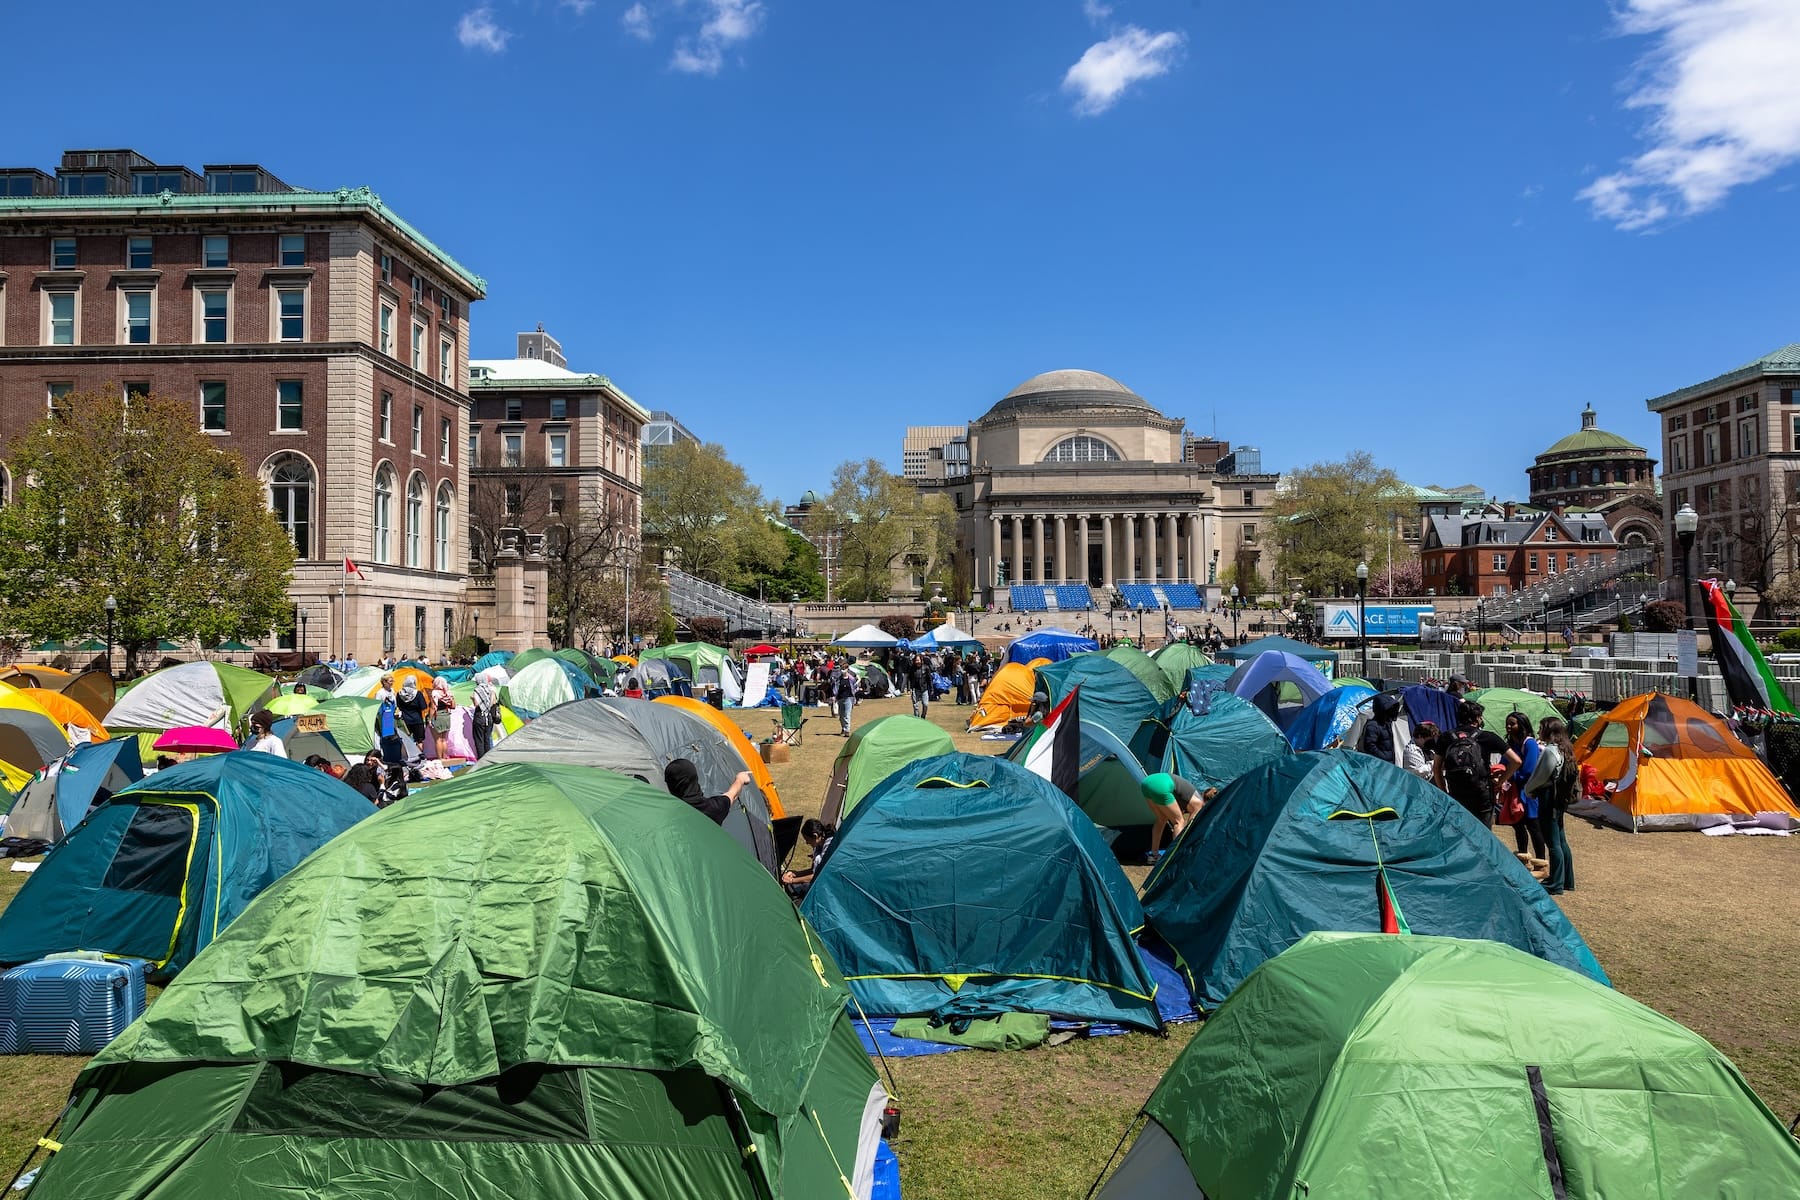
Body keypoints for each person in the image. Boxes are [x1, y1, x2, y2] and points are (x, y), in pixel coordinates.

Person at [1433, 699, 1514, 826]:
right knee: (1483, 835)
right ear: (1477, 718)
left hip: (1456, 793)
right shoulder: (1487, 736)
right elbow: (1516, 761)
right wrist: (1500, 781)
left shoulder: (1446, 737)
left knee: (1460, 834)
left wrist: (1444, 792)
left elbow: (1436, 768)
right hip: (1482, 795)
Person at [1529, 717, 1578, 895]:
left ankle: (1555, 883)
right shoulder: (1567, 749)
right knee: (1561, 840)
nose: (1539, 730)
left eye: (1541, 727)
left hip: (1549, 797)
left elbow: (1540, 776)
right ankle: (1567, 880)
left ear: (1549, 730)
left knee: (1553, 842)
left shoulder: (1551, 751)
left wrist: (1528, 789)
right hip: (1561, 797)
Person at [1141, 772, 1206, 864]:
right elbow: (1190, 826)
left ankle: (1153, 855)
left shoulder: (1190, 795)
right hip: (1162, 785)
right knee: (1179, 822)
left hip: (1147, 782)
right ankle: (1175, 856)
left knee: (1161, 819)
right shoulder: (1199, 803)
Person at [663, 758, 748, 825]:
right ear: (695, 778)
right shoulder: (712, 808)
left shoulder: (665, 813)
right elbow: (732, 794)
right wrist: (740, 779)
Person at [780, 818, 836, 899]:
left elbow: (818, 875)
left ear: (815, 836)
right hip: (820, 883)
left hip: (829, 887)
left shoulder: (830, 846)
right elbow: (813, 870)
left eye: (807, 840)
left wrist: (792, 880)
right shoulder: (819, 845)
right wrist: (795, 873)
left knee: (801, 889)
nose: (807, 843)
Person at [375, 674, 407, 769]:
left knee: (396, 737)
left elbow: (395, 704)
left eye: (392, 681)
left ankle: (396, 757)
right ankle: (387, 757)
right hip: (384, 718)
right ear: (384, 682)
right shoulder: (380, 693)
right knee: (386, 738)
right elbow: (377, 708)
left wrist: (397, 712)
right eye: (390, 681)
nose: (392, 683)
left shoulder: (392, 691)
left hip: (393, 717)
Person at [470, 675, 499, 758]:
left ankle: (481, 759)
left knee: (479, 739)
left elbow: (476, 704)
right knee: (487, 739)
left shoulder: (477, 690)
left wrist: (472, 698)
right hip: (489, 716)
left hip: (480, 716)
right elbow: (493, 702)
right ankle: (488, 759)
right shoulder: (490, 689)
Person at [833, 666, 856, 736]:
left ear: (847, 670)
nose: (843, 670)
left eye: (844, 669)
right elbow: (835, 688)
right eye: (842, 669)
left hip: (849, 698)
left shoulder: (851, 679)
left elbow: (855, 686)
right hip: (840, 698)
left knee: (847, 714)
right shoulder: (838, 679)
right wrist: (834, 696)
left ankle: (847, 730)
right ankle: (843, 728)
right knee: (841, 715)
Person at [909, 655, 932, 720]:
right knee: (915, 705)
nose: (917, 662)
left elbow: (929, 679)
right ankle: (917, 718)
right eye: (916, 660)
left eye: (918, 660)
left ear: (921, 660)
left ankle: (923, 716)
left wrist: (931, 688)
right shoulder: (912, 668)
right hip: (915, 689)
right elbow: (910, 679)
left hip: (924, 689)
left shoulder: (926, 668)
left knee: (925, 704)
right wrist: (910, 688)